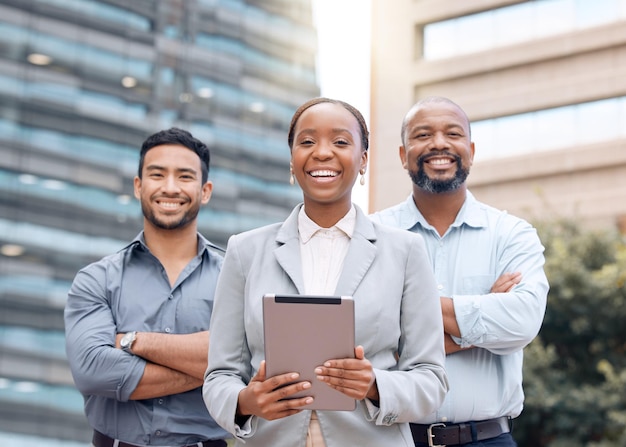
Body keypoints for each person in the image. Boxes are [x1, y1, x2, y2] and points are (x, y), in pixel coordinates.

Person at [202, 97, 448, 447]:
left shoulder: (405, 251)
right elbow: (219, 375)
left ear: (363, 160)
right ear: (292, 160)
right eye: (307, 141)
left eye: (341, 141)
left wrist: (376, 384)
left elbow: (431, 380)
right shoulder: (245, 251)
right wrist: (245, 402)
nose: (322, 152)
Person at [370, 96, 549, 446]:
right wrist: (481, 315)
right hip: (392, 438)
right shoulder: (370, 235)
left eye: (452, 134)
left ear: (470, 150)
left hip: (488, 439)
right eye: (423, 135)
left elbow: (522, 321)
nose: (439, 143)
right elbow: (361, 339)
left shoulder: (511, 234)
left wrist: (408, 309)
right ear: (403, 154)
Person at [64, 128, 229, 447]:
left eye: (184, 176)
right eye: (157, 174)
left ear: (205, 190)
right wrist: (214, 368)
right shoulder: (97, 279)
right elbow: (92, 370)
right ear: (138, 186)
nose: (170, 188)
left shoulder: (235, 278)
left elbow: (253, 361)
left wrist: (131, 341)